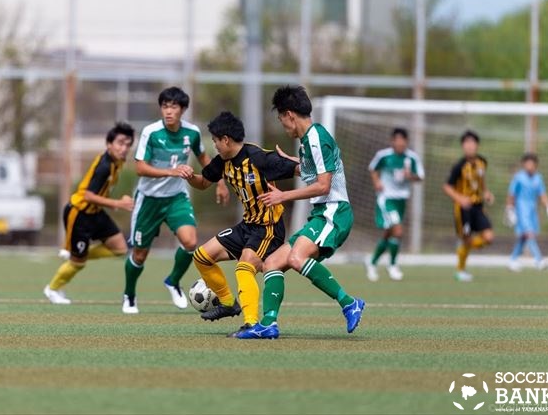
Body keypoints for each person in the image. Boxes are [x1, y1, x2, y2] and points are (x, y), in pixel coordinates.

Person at [236, 85, 365, 340]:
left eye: (282, 119)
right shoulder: (308, 142)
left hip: (333, 212)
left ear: (289, 115)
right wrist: (292, 162)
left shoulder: (316, 137)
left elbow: (323, 185)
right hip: (321, 214)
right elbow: (311, 172)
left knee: (296, 258)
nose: (283, 126)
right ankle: (269, 324)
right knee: (270, 263)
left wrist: (283, 195)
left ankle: (349, 303)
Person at [177, 111, 298, 337]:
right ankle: (227, 303)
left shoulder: (258, 157)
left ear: (226, 139)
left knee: (244, 268)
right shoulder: (222, 162)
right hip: (247, 225)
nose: (214, 145)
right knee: (201, 257)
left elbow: (300, 170)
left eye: (215, 141)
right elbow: (203, 183)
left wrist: (294, 185)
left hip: (268, 227)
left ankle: (252, 324)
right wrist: (190, 176)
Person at [123, 87, 229, 314]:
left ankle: (172, 281)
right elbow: (140, 168)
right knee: (140, 254)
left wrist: (219, 182)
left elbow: (204, 158)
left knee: (190, 242)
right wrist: (172, 171)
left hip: (176, 198)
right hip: (149, 200)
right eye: (165, 106)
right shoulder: (151, 132)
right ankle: (129, 295)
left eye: (173, 107)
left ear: (182, 109)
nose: (168, 111)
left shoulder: (192, 133)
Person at [44, 122, 135, 304]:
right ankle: (52, 289)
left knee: (120, 249)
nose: (124, 148)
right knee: (78, 264)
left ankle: (78, 253)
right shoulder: (104, 166)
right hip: (80, 214)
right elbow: (87, 195)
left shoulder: (117, 162)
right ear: (109, 144)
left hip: (96, 213)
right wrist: (117, 203)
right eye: (120, 143)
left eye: (128, 144)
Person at [365, 127, 424, 282]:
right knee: (397, 230)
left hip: (401, 200)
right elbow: (372, 169)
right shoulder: (383, 155)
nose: (399, 143)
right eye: (396, 140)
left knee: (388, 233)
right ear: (392, 141)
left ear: (406, 142)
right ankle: (392, 265)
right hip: (386, 198)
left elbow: (420, 177)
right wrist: (377, 182)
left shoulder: (411, 158)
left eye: (402, 140)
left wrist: (410, 176)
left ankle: (372, 263)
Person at [442, 130, 494, 282]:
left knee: (489, 237)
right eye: (467, 143)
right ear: (463, 146)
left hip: (478, 207)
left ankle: (462, 250)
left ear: (477, 145)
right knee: (467, 238)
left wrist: (486, 193)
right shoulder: (459, 166)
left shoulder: (482, 162)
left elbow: (481, 181)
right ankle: (460, 270)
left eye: (472, 143)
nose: (470, 146)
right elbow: (447, 187)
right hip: (463, 209)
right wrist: (460, 198)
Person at [505, 153, 548, 272]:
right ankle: (539, 260)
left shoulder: (538, 178)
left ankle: (512, 260)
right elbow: (511, 194)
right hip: (521, 209)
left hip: (532, 210)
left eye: (532, 164)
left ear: (536, 165)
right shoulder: (519, 177)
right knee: (529, 234)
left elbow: (542, 194)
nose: (530, 166)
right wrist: (509, 209)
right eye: (527, 163)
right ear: (523, 165)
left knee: (524, 237)